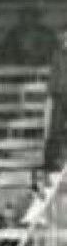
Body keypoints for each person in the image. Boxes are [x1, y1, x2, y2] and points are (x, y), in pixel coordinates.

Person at [44, 27, 67, 169]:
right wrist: (50, 94)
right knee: (55, 129)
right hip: (59, 96)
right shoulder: (57, 55)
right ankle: (51, 163)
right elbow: (53, 76)